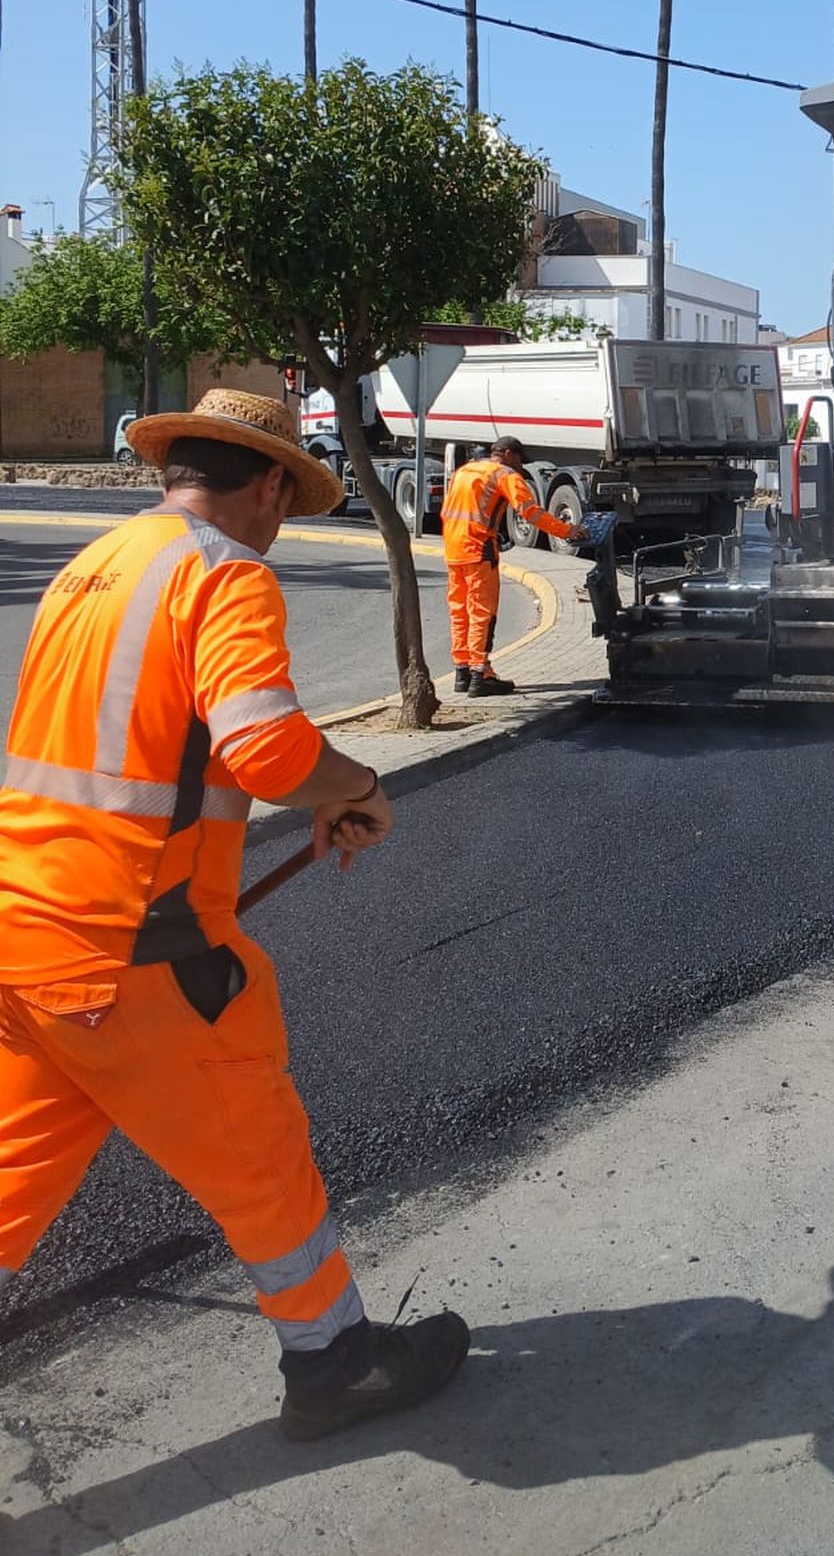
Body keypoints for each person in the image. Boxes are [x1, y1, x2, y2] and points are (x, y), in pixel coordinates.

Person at [0, 388, 468, 1440]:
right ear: (263, 486)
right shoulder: (225, 573)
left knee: (7, 1180)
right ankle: (337, 1363)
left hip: (25, 933)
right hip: (137, 958)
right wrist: (355, 789)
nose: (282, 523)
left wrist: (305, 797)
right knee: (259, 1158)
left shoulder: (95, 565)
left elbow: (146, 747)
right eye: (285, 502)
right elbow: (263, 744)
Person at [443, 436, 576, 697]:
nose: (519, 467)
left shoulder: (465, 471)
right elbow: (531, 513)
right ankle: (481, 676)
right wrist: (567, 531)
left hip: (453, 549)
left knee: (460, 612)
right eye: (517, 460)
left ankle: (463, 672)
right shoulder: (505, 475)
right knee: (482, 613)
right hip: (479, 551)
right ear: (506, 454)